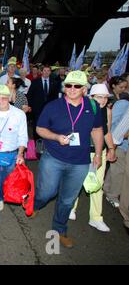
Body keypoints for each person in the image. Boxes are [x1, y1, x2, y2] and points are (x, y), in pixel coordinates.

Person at [33, 71, 104, 248]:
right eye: (69, 85)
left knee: (67, 199)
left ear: (84, 89)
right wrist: (57, 137)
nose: (72, 89)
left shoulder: (93, 106)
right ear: (64, 87)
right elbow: (40, 129)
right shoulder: (53, 106)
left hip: (80, 162)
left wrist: (97, 153)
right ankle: (34, 204)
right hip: (53, 157)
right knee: (46, 192)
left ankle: (59, 230)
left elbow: (97, 130)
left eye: (77, 86)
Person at [69, 84, 116, 232]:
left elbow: (106, 132)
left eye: (105, 97)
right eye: (99, 97)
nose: (102, 100)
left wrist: (111, 148)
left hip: (99, 152)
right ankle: (71, 208)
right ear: (91, 97)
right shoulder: (83, 109)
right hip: (82, 152)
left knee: (97, 185)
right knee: (76, 181)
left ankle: (96, 218)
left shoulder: (106, 111)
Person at [0, 85, 28, 234]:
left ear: (9, 98)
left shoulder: (19, 114)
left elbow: (23, 136)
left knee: (5, 182)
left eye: (4, 98)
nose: (1, 101)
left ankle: (1, 197)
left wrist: (21, 154)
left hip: (12, 155)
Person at [103, 97, 129, 208]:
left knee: (116, 169)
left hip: (119, 143)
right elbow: (119, 125)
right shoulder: (123, 103)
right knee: (120, 171)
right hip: (120, 143)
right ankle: (112, 195)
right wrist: (112, 145)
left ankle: (107, 189)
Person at [108, 98, 129, 230]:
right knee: (121, 175)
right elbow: (120, 127)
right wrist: (112, 148)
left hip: (121, 145)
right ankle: (126, 216)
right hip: (120, 144)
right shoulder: (122, 103)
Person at [27, 65, 61, 139]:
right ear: (41, 72)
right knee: (37, 126)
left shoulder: (54, 82)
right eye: (44, 70)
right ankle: (37, 144)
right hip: (37, 110)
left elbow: (55, 97)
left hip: (49, 110)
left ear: (50, 72)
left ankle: (45, 143)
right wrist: (31, 107)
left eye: (48, 71)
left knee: (48, 126)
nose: (46, 72)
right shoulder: (35, 82)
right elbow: (30, 95)